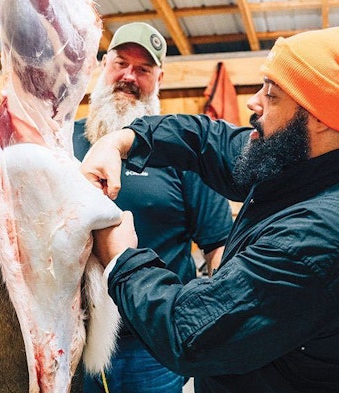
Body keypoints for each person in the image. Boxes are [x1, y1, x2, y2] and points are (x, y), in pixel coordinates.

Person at [81, 24, 339, 392]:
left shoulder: (322, 238)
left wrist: (121, 258)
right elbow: (207, 140)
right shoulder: (299, 160)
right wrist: (122, 140)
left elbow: (191, 331)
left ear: (320, 120)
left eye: (272, 95)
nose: (254, 102)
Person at [73, 22, 234, 393]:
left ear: (159, 79)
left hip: (150, 346)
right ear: (103, 65)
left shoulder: (183, 156)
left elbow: (217, 247)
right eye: (121, 63)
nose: (130, 76)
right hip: (73, 336)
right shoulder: (66, 141)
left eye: (144, 69)